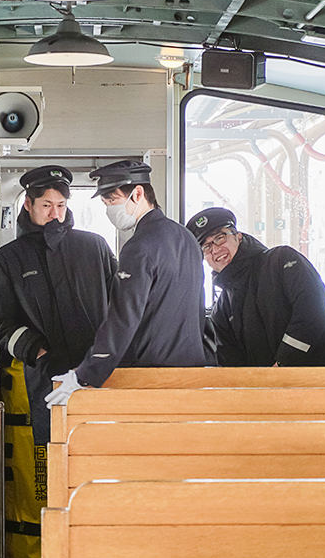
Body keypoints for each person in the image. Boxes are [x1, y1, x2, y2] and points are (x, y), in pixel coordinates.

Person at [46, 161, 209, 406]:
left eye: (112, 201)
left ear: (138, 194)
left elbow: (123, 317)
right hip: (192, 372)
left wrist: (84, 375)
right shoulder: (185, 237)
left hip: (150, 376)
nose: (109, 210)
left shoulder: (139, 246)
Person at [0, 165, 116, 445]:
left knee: (101, 445)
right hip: (45, 375)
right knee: (54, 450)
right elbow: (2, 324)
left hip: (95, 370)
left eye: (61, 205)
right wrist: (36, 351)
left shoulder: (94, 247)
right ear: (28, 204)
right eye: (46, 205)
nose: (54, 214)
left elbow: (122, 306)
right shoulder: (10, 258)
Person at [186, 207, 325, 367]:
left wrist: (283, 364)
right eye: (206, 247)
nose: (215, 249)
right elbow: (232, 366)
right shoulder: (221, 310)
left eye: (220, 238)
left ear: (238, 236)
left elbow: (312, 307)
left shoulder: (282, 261)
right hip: (270, 391)